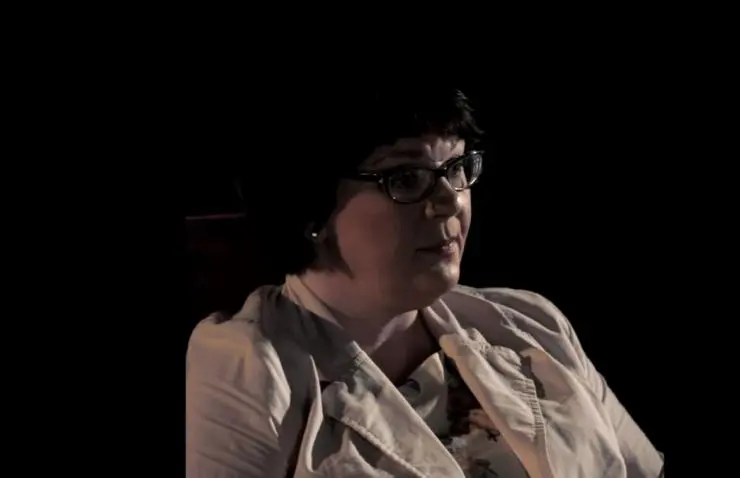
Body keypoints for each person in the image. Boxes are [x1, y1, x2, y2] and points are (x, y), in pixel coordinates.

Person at [185, 87, 663, 477]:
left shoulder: (529, 321)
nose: (451, 201)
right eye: (407, 178)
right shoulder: (248, 364)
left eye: (457, 168)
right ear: (310, 206)